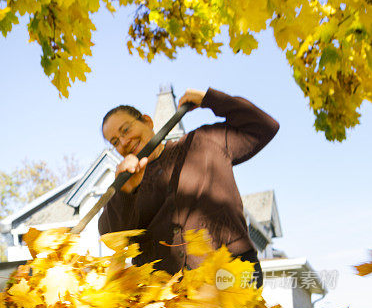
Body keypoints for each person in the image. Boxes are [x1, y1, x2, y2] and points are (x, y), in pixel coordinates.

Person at [98, 87, 280, 287]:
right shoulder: (126, 186)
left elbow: (263, 126)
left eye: (126, 129)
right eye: (115, 141)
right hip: (167, 298)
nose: (124, 141)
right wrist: (125, 192)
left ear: (147, 121)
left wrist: (210, 99)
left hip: (230, 275)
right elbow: (112, 238)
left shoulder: (204, 142)